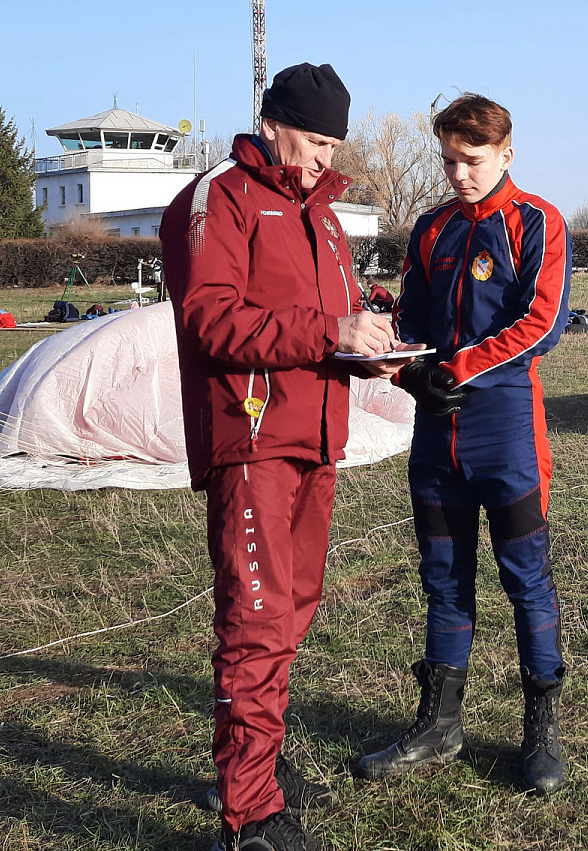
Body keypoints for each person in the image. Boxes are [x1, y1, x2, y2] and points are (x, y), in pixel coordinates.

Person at [161, 63, 411, 851]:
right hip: (252, 441)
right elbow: (211, 321)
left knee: (290, 617)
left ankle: (253, 773)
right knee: (257, 622)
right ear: (271, 122)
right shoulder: (221, 200)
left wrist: (365, 351)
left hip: (317, 441)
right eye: (312, 140)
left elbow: (320, 325)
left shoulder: (326, 218)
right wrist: (329, 333)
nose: (322, 159)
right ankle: (248, 819)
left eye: (334, 144)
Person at [354, 93, 573, 794]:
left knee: (525, 578)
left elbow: (543, 322)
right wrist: (406, 367)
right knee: (443, 579)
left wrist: (459, 368)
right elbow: (413, 321)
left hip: (505, 428)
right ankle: (439, 726)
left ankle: (540, 734)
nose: (459, 176)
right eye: (449, 161)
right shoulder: (430, 228)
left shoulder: (537, 221)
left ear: (506, 154)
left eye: (472, 162)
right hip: (436, 434)